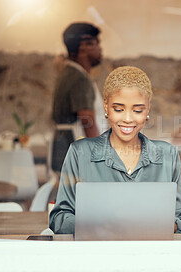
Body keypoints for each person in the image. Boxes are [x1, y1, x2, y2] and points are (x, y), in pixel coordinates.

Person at [49, 66, 181, 234]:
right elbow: (59, 219)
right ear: (106, 107)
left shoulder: (167, 155)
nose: (128, 119)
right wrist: (108, 226)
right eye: (118, 109)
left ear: (147, 109)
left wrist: (152, 226)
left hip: (151, 255)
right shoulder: (80, 153)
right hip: (98, 255)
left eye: (138, 110)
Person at [51, 22, 104, 173]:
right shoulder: (78, 77)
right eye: (96, 43)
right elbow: (87, 120)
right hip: (76, 152)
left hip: (65, 149)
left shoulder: (68, 73)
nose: (100, 49)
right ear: (84, 45)